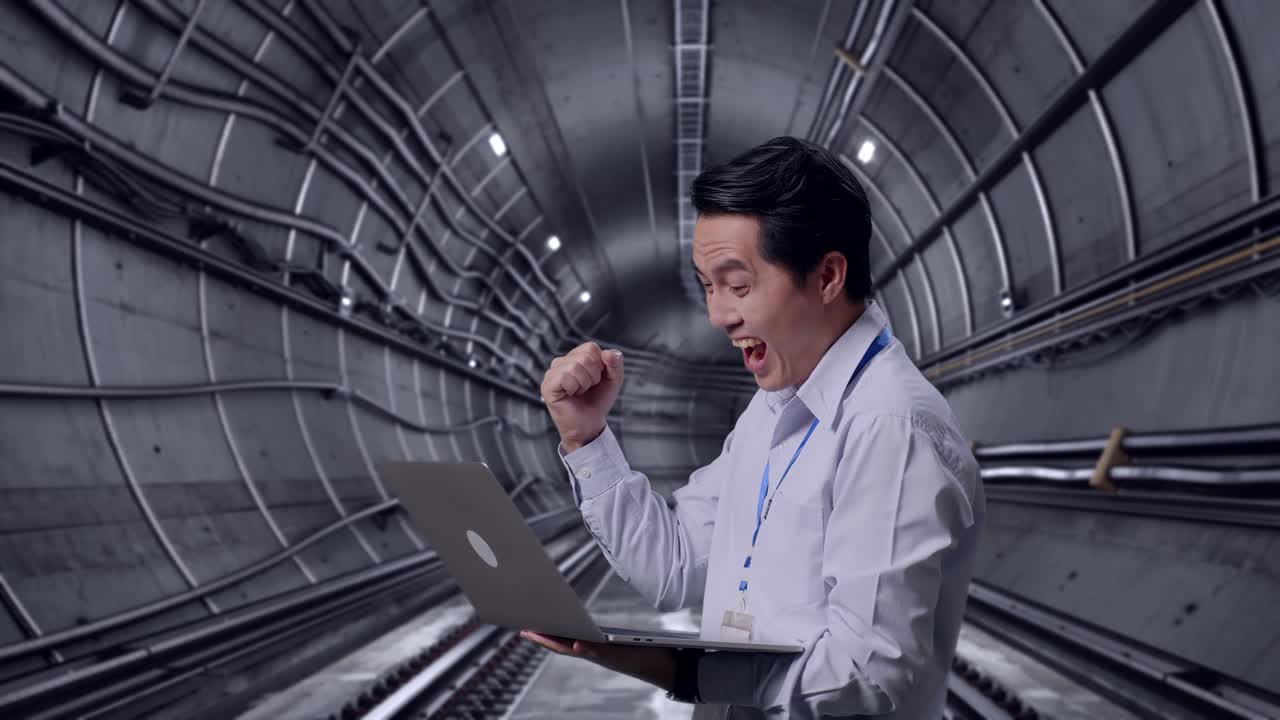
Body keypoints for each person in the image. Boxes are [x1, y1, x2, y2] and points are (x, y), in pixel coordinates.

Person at [522, 136, 985, 719]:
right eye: (708, 285)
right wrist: (586, 439)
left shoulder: (891, 427)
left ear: (827, 276)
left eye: (738, 285)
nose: (718, 315)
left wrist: (680, 669)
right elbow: (675, 567)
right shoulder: (772, 409)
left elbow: (869, 676)